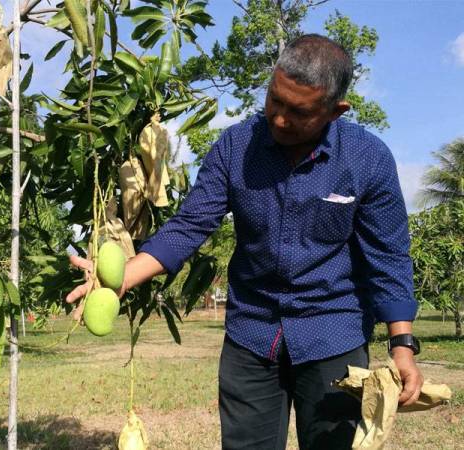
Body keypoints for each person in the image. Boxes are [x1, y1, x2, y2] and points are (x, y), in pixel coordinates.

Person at [66, 34, 424, 450]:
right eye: (275, 100)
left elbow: (388, 256)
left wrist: (402, 345)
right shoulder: (235, 147)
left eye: (299, 112)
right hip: (252, 334)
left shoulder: (367, 158)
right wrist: (123, 277)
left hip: (334, 333)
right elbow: (190, 226)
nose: (279, 120)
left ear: (334, 111)